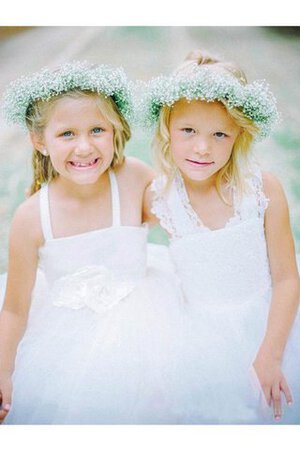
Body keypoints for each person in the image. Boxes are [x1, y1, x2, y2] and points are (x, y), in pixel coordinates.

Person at [0, 61, 183, 424]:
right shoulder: (31, 216)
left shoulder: (132, 178)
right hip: (65, 341)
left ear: (115, 131)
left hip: (148, 327)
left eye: (97, 129)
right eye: (67, 134)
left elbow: (186, 222)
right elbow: (15, 309)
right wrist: (4, 372)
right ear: (39, 141)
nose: (84, 147)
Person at [142, 50, 300, 424]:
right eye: (188, 131)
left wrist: (270, 353)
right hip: (200, 341)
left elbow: (287, 278)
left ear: (238, 134)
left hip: (270, 328)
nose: (202, 147)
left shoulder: (262, 190)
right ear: (167, 128)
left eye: (219, 134)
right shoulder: (159, 197)